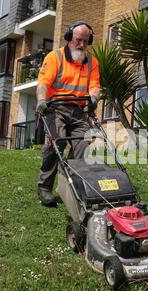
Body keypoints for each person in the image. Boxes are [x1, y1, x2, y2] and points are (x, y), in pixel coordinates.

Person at [36, 21, 100, 206]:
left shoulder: (92, 63)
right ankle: (44, 187)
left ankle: (70, 183)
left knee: (83, 146)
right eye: (78, 40)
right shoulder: (55, 57)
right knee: (56, 143)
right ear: (69, 37)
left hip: (79, 111)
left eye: (85, 41)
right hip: (55, 108)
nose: (81, 45)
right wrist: (41, 100)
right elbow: (43, 83)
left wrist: (94, 97)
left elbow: (94, 86)